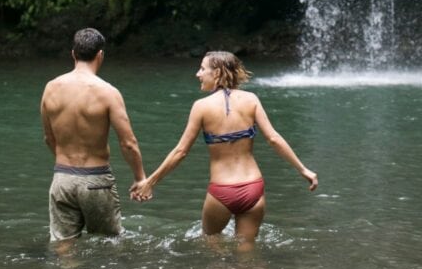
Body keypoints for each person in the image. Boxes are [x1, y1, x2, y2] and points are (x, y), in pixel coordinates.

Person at [130, 50, 317, 246]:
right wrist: (303, 169)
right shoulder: (251, 99)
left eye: (202, 69)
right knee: (247, 252)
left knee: (212, 247)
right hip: (253, 186)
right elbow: (274, 138)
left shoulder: (201, 107)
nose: (198, 74)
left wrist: (150, 181)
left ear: (217, 73)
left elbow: (181, 151)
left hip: (222, 190)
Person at [40, 27, 146, 244]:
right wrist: (139, 178)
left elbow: (49, 138)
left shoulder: (51, 88)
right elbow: (128, 143)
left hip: (62, 178)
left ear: (73, 54)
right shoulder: (107, 92)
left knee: (63, 244)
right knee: (108, 245)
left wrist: (67, 167)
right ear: (100, 55)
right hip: (96, 180)